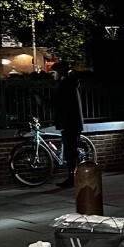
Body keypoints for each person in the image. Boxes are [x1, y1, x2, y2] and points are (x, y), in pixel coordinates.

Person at [51, 61, 84, 189]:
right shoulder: (70, 84)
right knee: (70, 153)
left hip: (70, 124)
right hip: (72, 123)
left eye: (54, 72)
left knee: (70, 154)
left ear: (60, 72)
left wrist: (41, 99)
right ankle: (72, 178)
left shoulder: (66, 85)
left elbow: (57, 104)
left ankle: (72, 179)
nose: (53, 75)